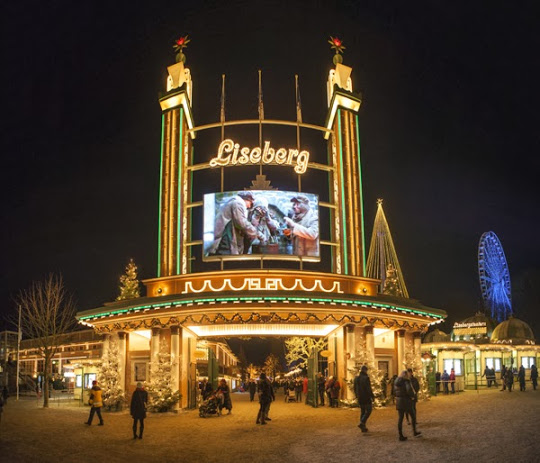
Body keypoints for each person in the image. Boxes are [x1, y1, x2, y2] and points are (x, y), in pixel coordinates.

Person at [207, 191, 262, 255]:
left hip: (226, 237)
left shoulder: (233, 202)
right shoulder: (237, 203)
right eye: (250, 203)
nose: (249, 206)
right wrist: (257, 233)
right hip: (225, 238)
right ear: (248, 199)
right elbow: (242, 223)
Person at [394, 370, 421, 441]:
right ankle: (414, 431)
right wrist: (413, 396)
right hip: (406, 401)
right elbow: (409, 390)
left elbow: (394, 391)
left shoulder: (396, 381)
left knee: (400, 418)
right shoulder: (406, 381)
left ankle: (400, 435)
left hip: (399, 401)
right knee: (413, 415)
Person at [354, 366, 375, 433]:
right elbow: (368, 388)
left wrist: (357, 395)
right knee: (369, 410)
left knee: (362, 411)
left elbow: (354, 388)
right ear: (365, 370)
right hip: (366, 397)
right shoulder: (366, 378)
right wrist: (372, 396)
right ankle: (362, 422)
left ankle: (363, 427)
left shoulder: (356, 378)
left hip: (360, 397)